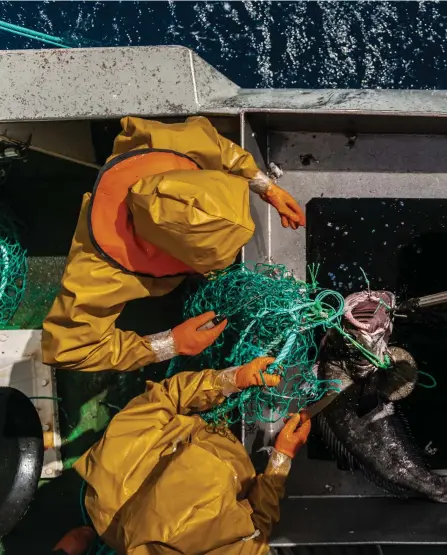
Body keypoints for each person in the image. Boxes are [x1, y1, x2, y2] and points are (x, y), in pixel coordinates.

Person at [42, 116, 305, 372]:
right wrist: (169, 344)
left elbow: (216, 146)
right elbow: (67, 351)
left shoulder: (164, 141)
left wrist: (266, 187)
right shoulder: (96, 275)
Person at [70, 356, 311, 554]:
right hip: (231, 456)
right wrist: (282, 457)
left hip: (111, 509)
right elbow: (261, 523)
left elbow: (167, 396)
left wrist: (232, 379)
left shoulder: (117, 453)